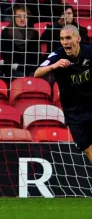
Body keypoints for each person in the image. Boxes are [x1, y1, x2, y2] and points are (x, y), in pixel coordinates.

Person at [34, 25, 92, 164]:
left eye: (68, 38)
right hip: (74, 114)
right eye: (62, 39)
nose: (65, 42)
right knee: (89, 151)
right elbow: (37, 73)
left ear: (78, 39)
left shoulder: (89, 52)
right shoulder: (58, 55)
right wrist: (53, 66)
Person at [0, 4, 40, 78]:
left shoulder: (34, 33)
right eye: (19, 16)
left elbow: (36, 57)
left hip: (29, 68)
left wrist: (21, 66)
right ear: (13, 17)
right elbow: (5, 56)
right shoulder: (6, 32)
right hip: (11, 68)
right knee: (20, 75)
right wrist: (15, 66)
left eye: (25, 16)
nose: (22, 19)